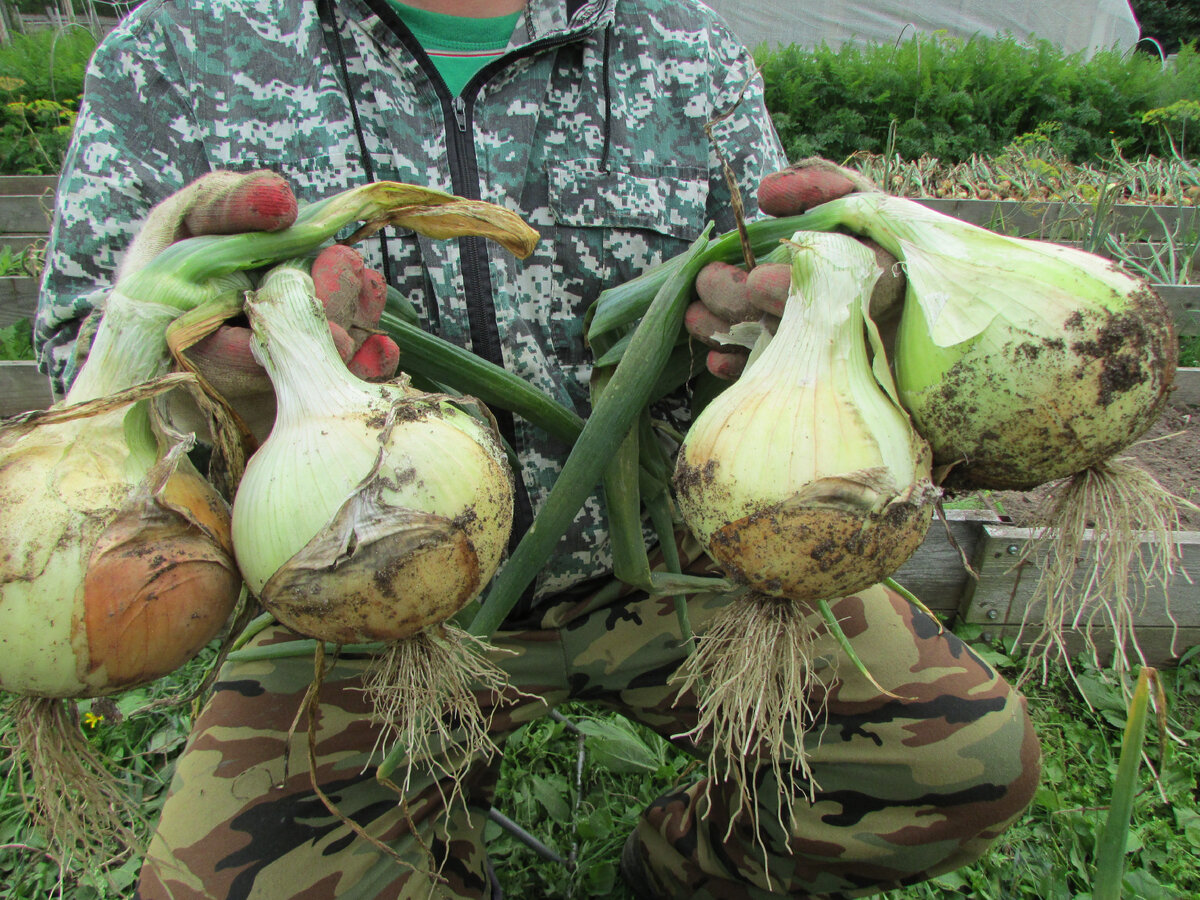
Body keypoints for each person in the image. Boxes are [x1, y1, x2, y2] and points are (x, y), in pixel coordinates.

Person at [35, 0, 1041, 897]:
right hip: (358, 576)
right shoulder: (186, 44)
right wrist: (207, 363)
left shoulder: (680, 43)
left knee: (962, 760)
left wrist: (811, 306)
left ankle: (681, 875)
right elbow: (86, 341)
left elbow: (753, 272)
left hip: (668, 556)